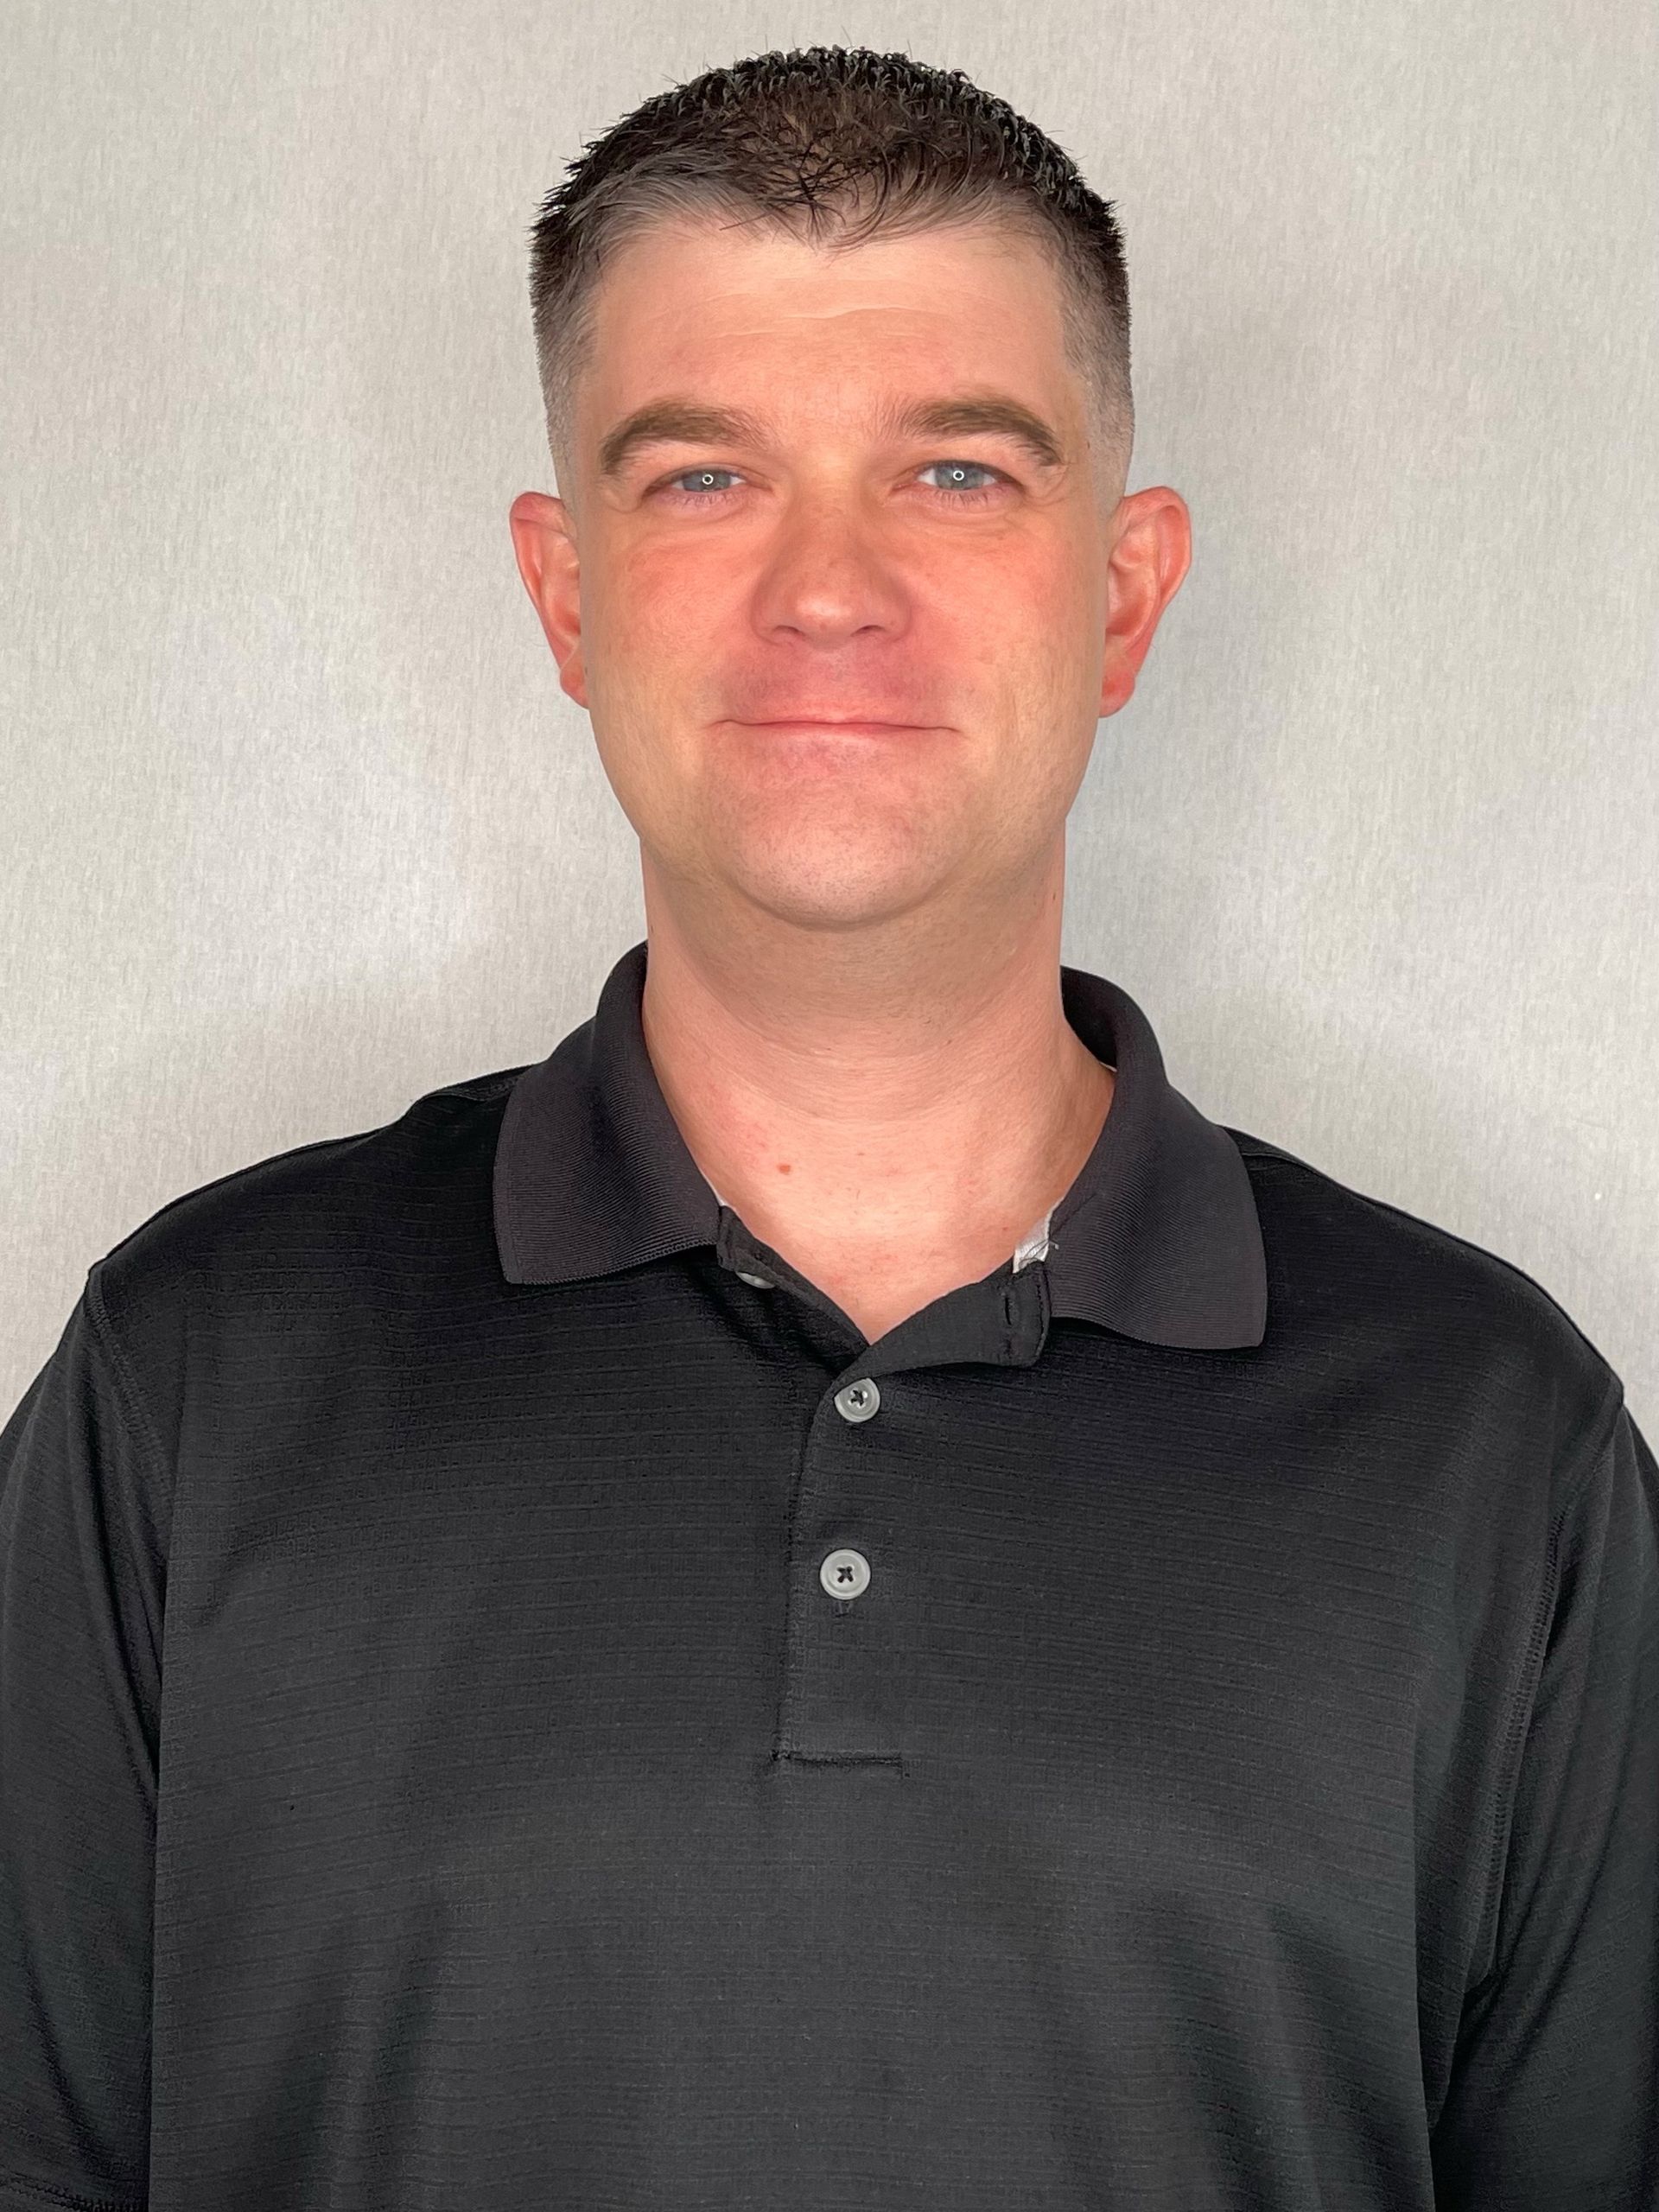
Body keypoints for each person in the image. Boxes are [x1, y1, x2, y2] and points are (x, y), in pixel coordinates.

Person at [2, 41, 1653, 2212]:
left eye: (958, 472)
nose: (829, 590)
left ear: (1129, 592)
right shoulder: (194, 1379)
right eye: (702, 478)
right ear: (566, 592)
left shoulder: (1488, 1440)